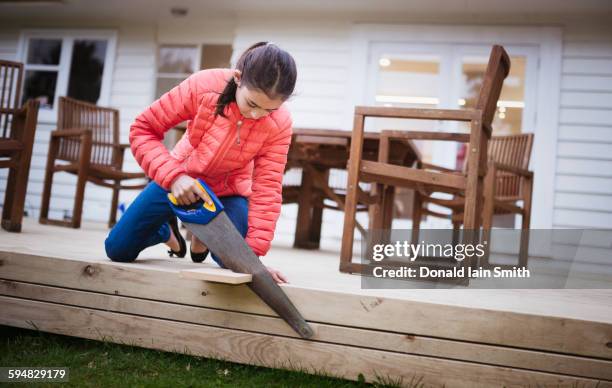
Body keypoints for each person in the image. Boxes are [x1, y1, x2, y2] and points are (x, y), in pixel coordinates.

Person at [104, 42, 296, 284]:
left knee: (233, 262)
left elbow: (267, 187)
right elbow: (143, 129)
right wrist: (174, 177)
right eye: (252, 104)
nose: (256, 115)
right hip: (179, 180)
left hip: (228, 191)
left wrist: (253, 260)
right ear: (238, 78)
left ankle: (201, 231)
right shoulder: (203, 86)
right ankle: (164, 230)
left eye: (269, 110)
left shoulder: (280, 123)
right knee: (117, 249)